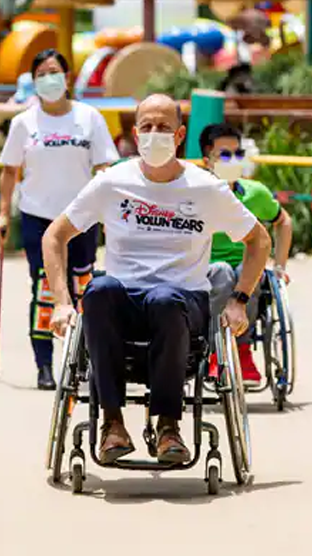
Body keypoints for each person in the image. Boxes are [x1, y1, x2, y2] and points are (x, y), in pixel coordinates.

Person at [42, 94, 271, 465]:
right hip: (124, 298)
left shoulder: (205, 188)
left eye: (163, 127)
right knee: (98, 290)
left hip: (183, 301)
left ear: (180, 135)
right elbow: (54, 236)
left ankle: (168, 425)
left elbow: (259, 239)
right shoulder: (112, 182)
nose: (154, 134)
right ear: (135, 133)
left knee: (165, 299)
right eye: (146, 127)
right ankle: (112, 424)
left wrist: (239, 299)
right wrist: (61, 302)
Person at [0, 49, 119, 390]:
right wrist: (4, 212)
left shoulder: (89, 117)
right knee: (45, 289)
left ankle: (86, 358)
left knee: (83, 287)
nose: (49, 79)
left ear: (67, 76)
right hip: (38, 217)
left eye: (54, 72)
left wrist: (108, 209)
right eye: (41, 74)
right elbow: (9, 171)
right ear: (34, 82)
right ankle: (44, 365)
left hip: (81, 216)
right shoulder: (24, 122)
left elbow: (104, 166)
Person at [200, 123, 293, 386]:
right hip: (206, 271)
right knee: (222, 273)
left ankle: (241, 350)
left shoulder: (255, 193)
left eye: (238, 154)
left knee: (244, 273)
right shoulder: (194, 192)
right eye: (224, 155)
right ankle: (216, 350)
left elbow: (283, 221)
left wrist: (281, 265)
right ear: (208, 160)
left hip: (247, 267)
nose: (233, 161)